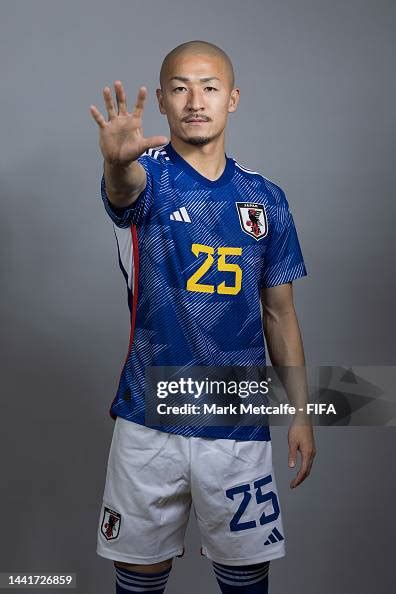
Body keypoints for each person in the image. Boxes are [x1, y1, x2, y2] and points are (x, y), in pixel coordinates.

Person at [90, 40, 316, 594]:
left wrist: (302, 412)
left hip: (236, 423)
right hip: (149, 422)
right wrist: (114, 164)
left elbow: (280, 314)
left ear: (232, 99)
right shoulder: (147, 179)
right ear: (163, 101)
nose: (196, 100)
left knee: (244, 579)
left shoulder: (264, 198)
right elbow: (124, 193)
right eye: (181, 88)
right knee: (139, 580)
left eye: (210, 87)